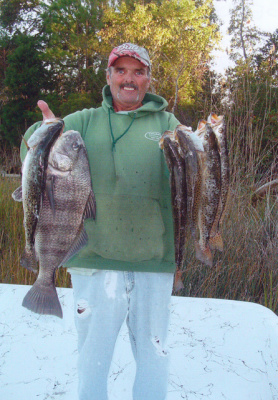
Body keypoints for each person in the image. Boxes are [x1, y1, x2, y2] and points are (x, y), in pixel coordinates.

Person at [21, 43, 180, 400]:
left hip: (154, 262)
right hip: (92, 262)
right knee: (93, 357)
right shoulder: (83, 121)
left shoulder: (168, 124)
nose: (129, 79)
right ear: (108, 77)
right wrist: (41, 134)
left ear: (148, 79)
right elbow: (33, 149)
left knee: (154, 353)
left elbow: (191, 173)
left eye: (138, 72)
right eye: (120, 70)